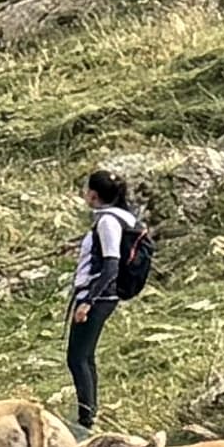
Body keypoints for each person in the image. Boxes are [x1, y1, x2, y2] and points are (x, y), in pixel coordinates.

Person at [66, 170, 142, 430]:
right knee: (84, 356)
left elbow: (111, 264)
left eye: (87, 189)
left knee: (77, 358)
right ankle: (88, 413)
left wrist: (88, 301)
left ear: (94, 195)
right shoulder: (120, 216)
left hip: (98, 296)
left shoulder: (107, 221)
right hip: (102, 296)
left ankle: (86, 419)